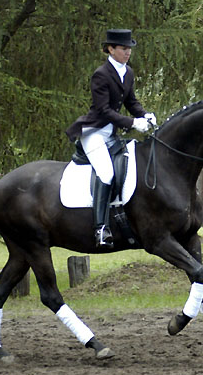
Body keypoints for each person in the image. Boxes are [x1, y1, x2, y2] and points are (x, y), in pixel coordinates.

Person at [65, 29, 156, 249]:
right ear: (111, 49)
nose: (128, 53)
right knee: (106, 174)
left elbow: (131, 102)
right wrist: (133, 123)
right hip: (94, 133)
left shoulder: (128, 72)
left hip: (112, 135)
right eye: (124, 49)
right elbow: (104, 110)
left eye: (129, 49)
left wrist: (144, 115)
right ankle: (100, 228)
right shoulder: (101, 74)